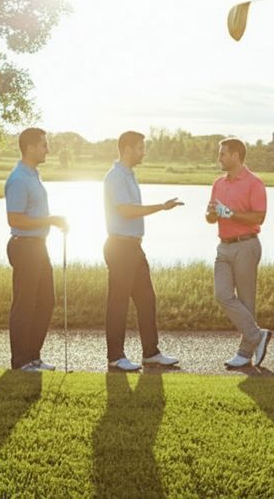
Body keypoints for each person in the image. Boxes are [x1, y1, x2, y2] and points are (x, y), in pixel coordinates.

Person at [103, 131, 183, 372]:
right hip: (120, 247)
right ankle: (116, 357)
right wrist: (161, 207)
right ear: (127, 148)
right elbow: (126, 211)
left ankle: (151, 353)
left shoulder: (129, 174)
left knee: (147, 300)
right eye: (140, 148)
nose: (143, 152)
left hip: (133, 246)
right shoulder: (115, 176)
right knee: (118, 303)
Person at [4, 127, 69, 372]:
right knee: (25, 304)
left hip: (38, 247)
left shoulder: (33, 174)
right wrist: (50, 220)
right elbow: (15, 219)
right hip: (24, 247)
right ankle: (20, 361)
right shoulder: (19, 178)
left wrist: (51, 222)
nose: (48, 149)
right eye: (44, 145)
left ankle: (33, 357)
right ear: (30, 147)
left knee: (45, 301)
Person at [205, 137, 272, 368]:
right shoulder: (218, 183)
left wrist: (230, 214)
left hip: (246, 245)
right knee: (222, 295)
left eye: (222, 154)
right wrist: (213, 214)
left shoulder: (254, 183)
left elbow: (259, 217)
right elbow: (210, 216)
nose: (219, 158)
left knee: (246, 301)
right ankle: (257, 336)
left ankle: (245, 354)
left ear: (235, 155)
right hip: (224, 246)